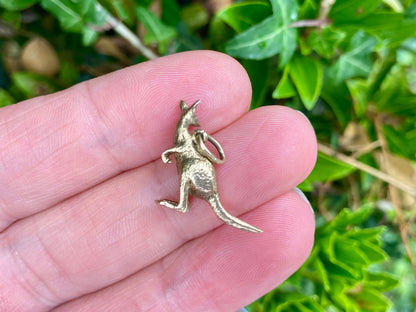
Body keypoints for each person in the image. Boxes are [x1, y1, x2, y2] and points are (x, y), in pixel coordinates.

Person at [0, 51, 317, 311]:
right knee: (187, 177)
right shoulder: (185, 132)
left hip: (201, 174)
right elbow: (181, 147)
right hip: (193, 169)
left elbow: (207, 157)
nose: (188, 121)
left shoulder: (192, 136)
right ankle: (181, 202)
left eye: (189, 119)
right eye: (188, 118)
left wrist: (196, 144)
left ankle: (182, 202)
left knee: (195, 176)